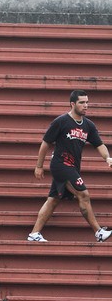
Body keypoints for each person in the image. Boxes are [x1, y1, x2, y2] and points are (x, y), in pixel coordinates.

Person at [28, 90, 112, 243]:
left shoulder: (88, 125)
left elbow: (99, 144)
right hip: (61, 164)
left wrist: (108, 158)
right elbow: (45, 143)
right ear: (72, 104)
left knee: (53, 200)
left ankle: (34, 234)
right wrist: (39, 166)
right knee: (83, 195)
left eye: (87, 102)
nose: (85, 105)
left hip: (72, 167)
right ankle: (98, 232)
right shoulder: (61, 121)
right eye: (82, 102)